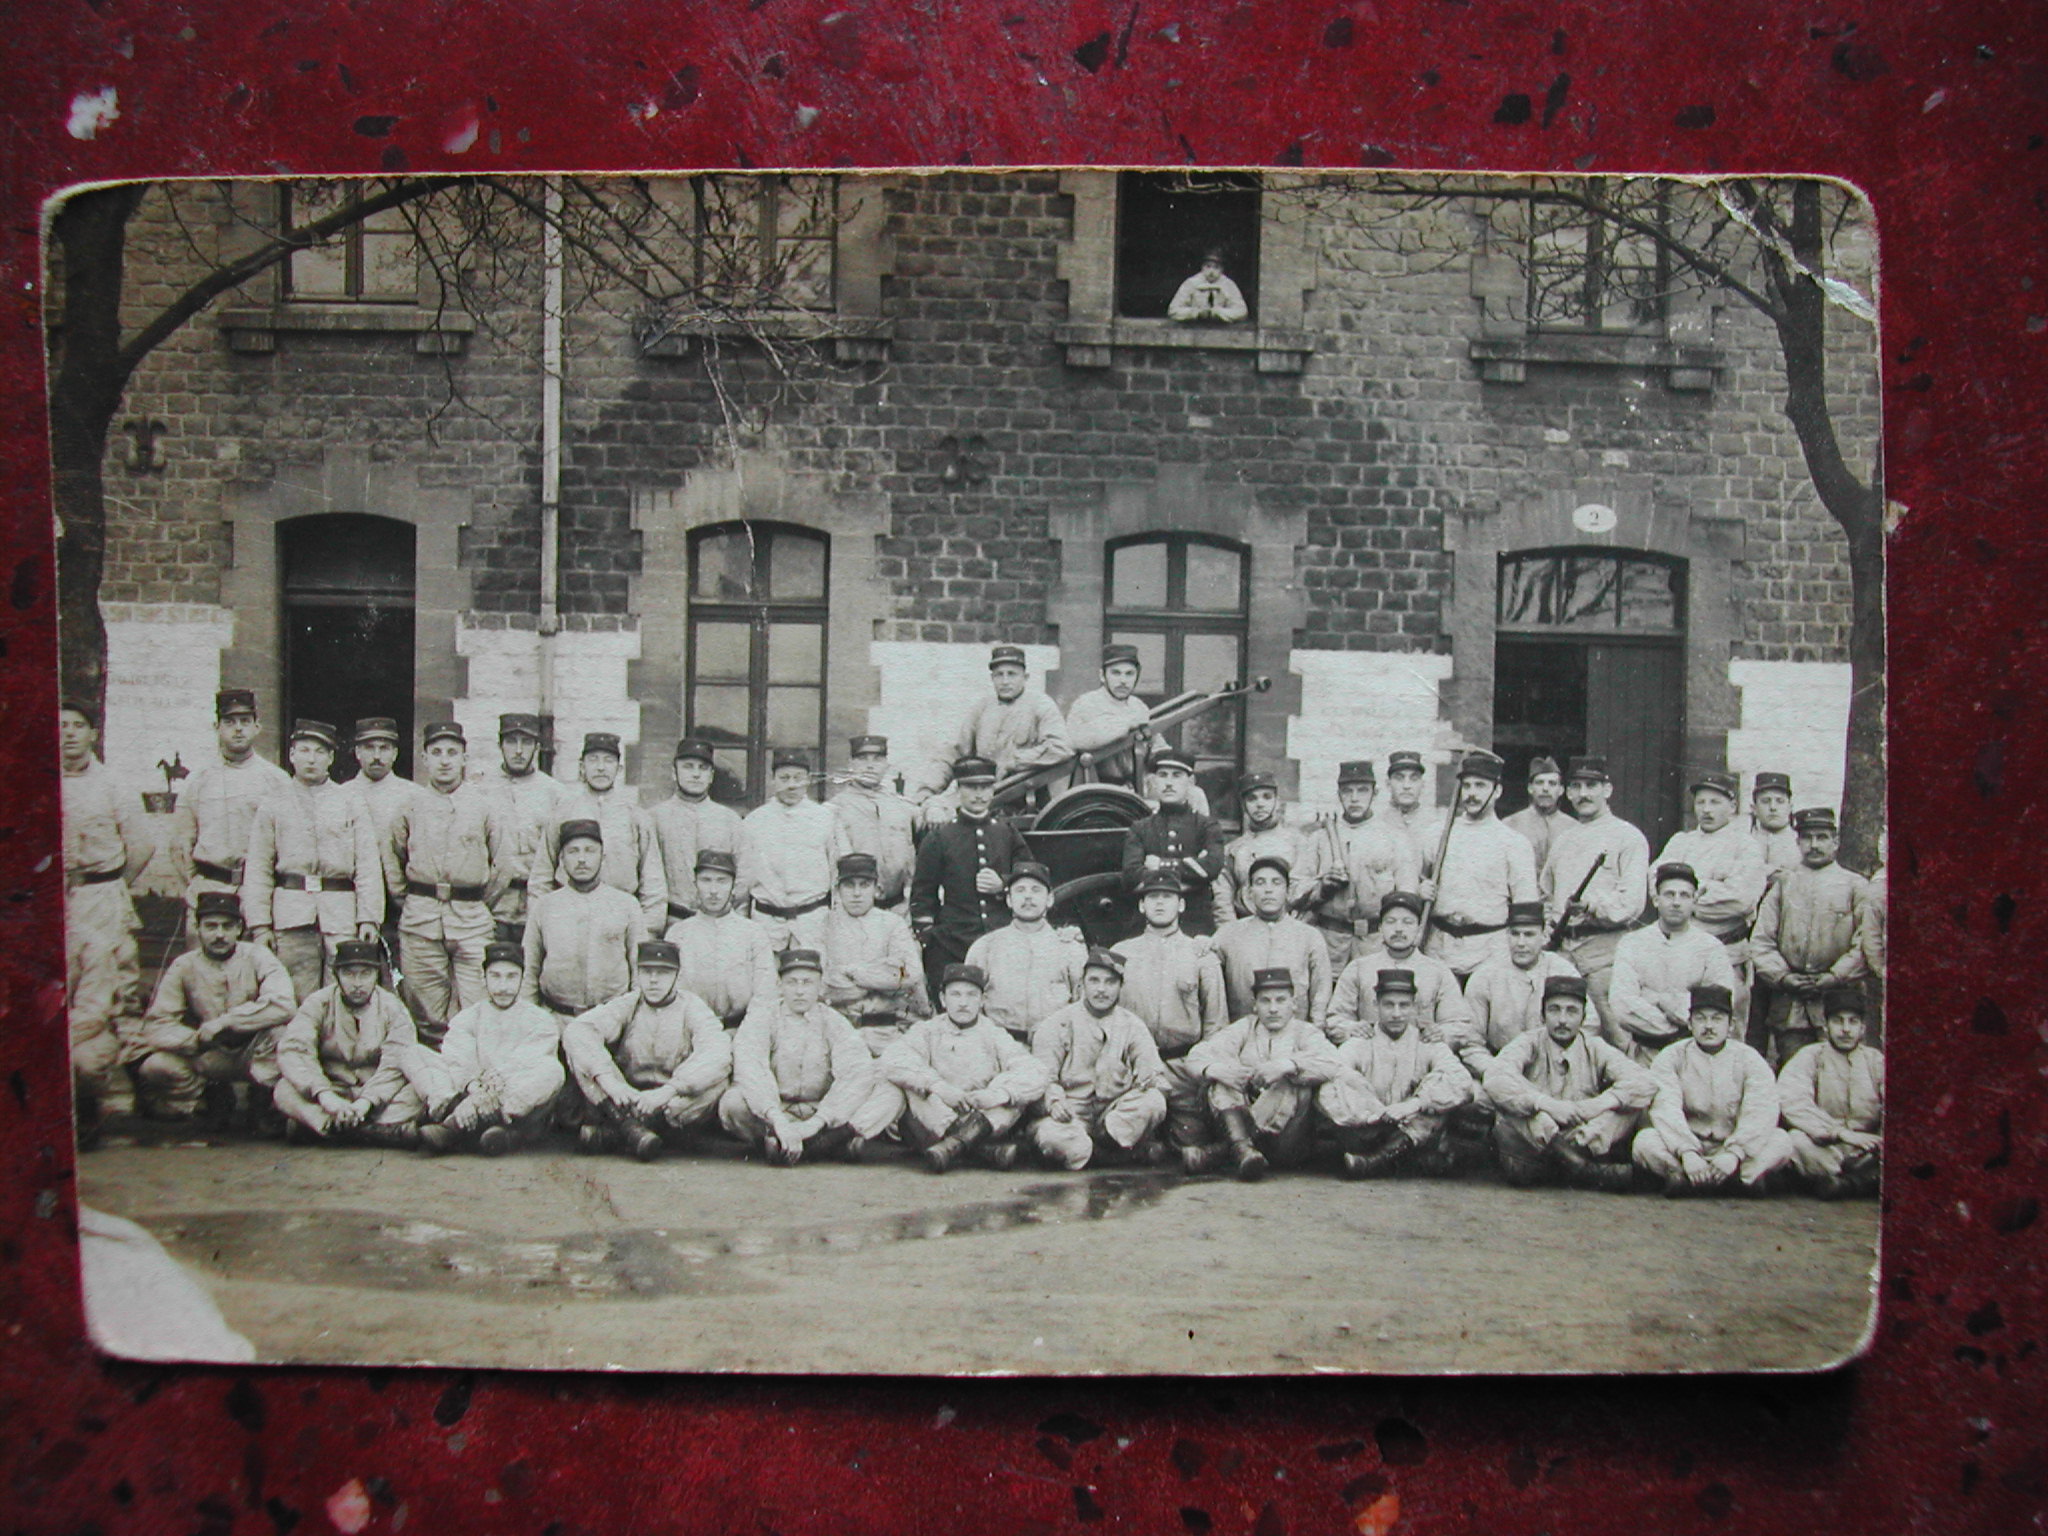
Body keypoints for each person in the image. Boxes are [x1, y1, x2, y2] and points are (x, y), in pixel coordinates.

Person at [381, 721, 511, 1044]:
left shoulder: (484, 806)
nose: (444, 761)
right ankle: (435, 1071)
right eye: (436, 753)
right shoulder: (409, 806)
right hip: (421, 917)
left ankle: (472, 1071)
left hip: (471, 920)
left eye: (452, 753)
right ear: (424, 758)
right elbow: (392, 857)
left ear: (464, 758)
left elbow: (503, 865)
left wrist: (478, 902)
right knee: (426, 1010)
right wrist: (408, 899)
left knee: (478, 1005)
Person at [242, 719, 384, 1005]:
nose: (311, 759)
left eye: (320, 752)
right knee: (293, 994)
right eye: (304, 750)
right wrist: (260, 924)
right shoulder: (273, 803)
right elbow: (258, 867)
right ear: (292, 755)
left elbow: (367, 864)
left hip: (340, 915)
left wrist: (369, 917)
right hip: (291, 915)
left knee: (342, 993)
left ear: (330, 758)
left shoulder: (350, 801)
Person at [59, 701, 155, 1125]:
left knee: (120, 990)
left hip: (102, 894)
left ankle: (136, 1084)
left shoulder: (112, 784)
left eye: (77, 726)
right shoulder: (39, 781)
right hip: (56, 899)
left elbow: (143, 845)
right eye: (61, 726)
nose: (68, 733)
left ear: (92, 734)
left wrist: (115, 884)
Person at [134, 891, 295, 1126]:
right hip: (211, 1051)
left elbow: (284, 1005)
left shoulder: (258, 955)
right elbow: (157, 1024)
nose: (219, 934)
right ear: (197, 929)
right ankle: (212, 1095)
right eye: (211, 926)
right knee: (156, 1066)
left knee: (282, 1036)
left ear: (239, 929)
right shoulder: (184, 965)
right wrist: (195, 1039)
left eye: (227, 926)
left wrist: (226, 1022)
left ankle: (262, 1103)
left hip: (254, 1049)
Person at [719, 948, 892, 1165]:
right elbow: (752, 1071)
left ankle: (794, 1146)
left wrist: (818, 1120)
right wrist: (777, 1119)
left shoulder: (834, 1022)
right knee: (733, 1103)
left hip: (820, 1110)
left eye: (807, 983)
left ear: (819, 987)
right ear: (780, 985)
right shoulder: (762, 1019)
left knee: (872, 1084)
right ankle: (793, 1142)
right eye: (792, 983)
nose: (799, 991)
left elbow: (855, 1073)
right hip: (778, 1110)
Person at [563, 939, 732, 1161]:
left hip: (670, 1101)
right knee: (579, 1050)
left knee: (718, 1079)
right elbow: (579, 1030)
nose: (653, 980)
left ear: (678, 976)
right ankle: (632, 1129)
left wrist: (670, 1089)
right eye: (646, 972)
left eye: (663, 973)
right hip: (626, 1097)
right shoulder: (629, 1003)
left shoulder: (692, 1007)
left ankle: (619, 1133)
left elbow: (717, 1051)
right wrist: (610, 1082)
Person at [1481, 974, 1654, 1190]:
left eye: (1571, 1011)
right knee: (1508, 1099)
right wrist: (1544, 1103)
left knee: (1632, 1104)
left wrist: (1601, 1103)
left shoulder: (1595, 1046)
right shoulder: (1528, 1042)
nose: (1562, 1020)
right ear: (1543, 1015)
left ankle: (1570, 1161)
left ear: (1583, 1017)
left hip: (1582, 1139)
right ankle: (1582, 1169)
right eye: (1554, 1010)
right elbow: (1495, 1076)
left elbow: (1644, 1081)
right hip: (1534, 1146)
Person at [878, 963, 1053, 1172]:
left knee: (1015, 1092)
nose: (963, 1003)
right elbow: (892, 1059)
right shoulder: (927, 1030)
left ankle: (952, 1147)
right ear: (943, 999)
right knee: (912, 1082)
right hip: (938, 1116)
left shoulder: (994, 1033)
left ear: (982, 1000)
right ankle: (982, 1151)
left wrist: (997, 1095)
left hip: (983, 1116)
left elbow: (1036, 1071)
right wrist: (938, 1086)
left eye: (971, 995)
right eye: (956, 995)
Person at [1632, 983, 1795, 1197]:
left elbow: (1760, 1110)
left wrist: (1734, 1153)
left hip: (1733, 1149)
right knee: (1645, 1141)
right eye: (1700, 1019)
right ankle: (1719, 1180)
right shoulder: (1671, 1056)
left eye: (1717, 1019)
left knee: (1781, 1140)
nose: (1708, 1026)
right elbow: (1665, 1108)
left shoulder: (1749, 1058)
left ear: (1731, 1024)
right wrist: (1687, 1152)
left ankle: (1714, 1180)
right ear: (1690, 1024)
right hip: (1688, 1148)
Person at [405, 941, 566, 1156]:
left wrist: (483, 1099)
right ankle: (486, 1127)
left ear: (522, 978)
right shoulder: (467, 1018)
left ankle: (454, 1128)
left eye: (511, 977)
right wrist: (473, 1088)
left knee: (552, 1070)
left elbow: (526, 1063)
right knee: (414, 1053)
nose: (503, 987)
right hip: (471, 1093)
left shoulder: (540, 1020)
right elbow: (458, 1061)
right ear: (483, 978)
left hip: (510, 1099)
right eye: (495, 976)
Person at [1315, 969, 1473, 1179]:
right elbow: (1329, 1081)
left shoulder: (1427, 1042)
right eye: (1389, 1005)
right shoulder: (1359, 1042)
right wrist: (1373, 1114)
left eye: (1404, 1005)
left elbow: (1463, 1082)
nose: (1396, 1013)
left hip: (1413, 1127)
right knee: (1338, 1081)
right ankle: (1404, 1158)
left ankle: (1375, 1162)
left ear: (1414, 1006)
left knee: (1440, 1087)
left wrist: (1415, 1104)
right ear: (1376, 1005)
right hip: (1370, 1129)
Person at [1113, 869, 1230, 1150]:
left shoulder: (1200, 955)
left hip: (1182, 1068)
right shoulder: (1121, 954)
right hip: (1136, 1071)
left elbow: (1216, 1024)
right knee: (1131, 1145)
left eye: (1167, 897)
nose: (1160, 903)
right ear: (1142, 905)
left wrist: (1201, 1073)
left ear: (1181, 904)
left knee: (1189, 1143)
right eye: (1153, 897)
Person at [1184, 969, 1341, 1178]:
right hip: (1245, 1120)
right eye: (1265, 1001)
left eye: (1280, 1000)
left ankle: (1226, 1150)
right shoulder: (1244, 1028)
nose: (1273, 1009)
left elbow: (1333, 1063)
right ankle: (1243, 1150)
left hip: (1287, 1140)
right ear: (1255, 1005)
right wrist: (1216, 1069)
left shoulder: (1306, 1032)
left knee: (1290, 1081)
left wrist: (1289, 1065)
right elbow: (1197, 1056)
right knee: (1224, 1077)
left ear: (1294, 1004)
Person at [1750, 807, 1877, 1065]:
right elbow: (1761, 941)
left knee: (1840, 1069)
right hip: (1791, 1004)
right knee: (1792, 1068)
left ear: (1835, 842)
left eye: (1822, 838)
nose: (1814, 845)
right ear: (1798, 842)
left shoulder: (1855, 886)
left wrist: (1835, 976)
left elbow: (1865, 942)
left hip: (1839, 1000)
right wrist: (1783, 977)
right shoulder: (1784, 884)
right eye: (1807, 838)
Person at [1539, 755, 1650, 1042]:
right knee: (1563, 1035)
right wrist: (1549, 925)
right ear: (1567, 792)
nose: (1583, 794)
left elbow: (1632, 903)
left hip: (1605, 954)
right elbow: (1547, 894)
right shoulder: (1564, 840)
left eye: (1591, 786)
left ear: (1607, 790)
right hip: (1564, 952)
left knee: (1616, 1035)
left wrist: (1593, 905)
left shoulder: (1628, 837)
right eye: (1576, 786)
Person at [271, 938, 423, 1146]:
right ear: (336, 975)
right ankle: (364, 1131)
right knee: (284, 1089)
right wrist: (324, 1094)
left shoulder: (393, 1007)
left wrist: (366, 1101)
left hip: (376, 1095)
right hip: (333, 1091)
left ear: (377, 975)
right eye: (349, 974)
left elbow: (396, 1062)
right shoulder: (318, 1003)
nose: (357, 983)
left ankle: (333, 1130)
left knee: (416, 1093)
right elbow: (295, 1050)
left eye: (366, 974)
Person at [1028, 948, 1171, 1170]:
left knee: (1154, 1101)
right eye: (1094, 981)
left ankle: (1095, 1152)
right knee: (1052, 1137)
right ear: (1081, 985)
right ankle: (1119, 1155)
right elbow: (1042, 1076)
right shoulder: (1058, 1023)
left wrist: (1149, 1084)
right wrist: (1054, 1102)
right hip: (1070, 1113)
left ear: (1121, 987)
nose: (1101, 989)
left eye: (1110, 982)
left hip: (1113, 1114)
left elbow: (1152, 1073)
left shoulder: (1132, 1025)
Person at [165, 688, 288, 930]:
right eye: (230, 722)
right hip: (209, 888)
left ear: (257, 727)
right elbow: (180, 844)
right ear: (217, 727)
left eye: (245, 721)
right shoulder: (198, 780)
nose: (238, 729)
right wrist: (196, 884)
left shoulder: (277, 780)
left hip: (259, 893)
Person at [1656, 771, 1769, 1025]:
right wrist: (1711, 887)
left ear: (1733, 806)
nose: (1706, 810)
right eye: (1701, 802)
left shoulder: (1745, 846)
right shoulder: (1680, 842)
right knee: (1678, 1019)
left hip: (1727, 951)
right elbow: (1655, 883)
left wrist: (1686, 900)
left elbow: (1741, 899)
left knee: (1726, 1023)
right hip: (1680, 952)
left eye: (1715, 802)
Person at [908, 756, 1028, 997]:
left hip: (1001, 938)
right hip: (954, 941)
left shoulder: (1006, 831)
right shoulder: (940, 837)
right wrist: (931, 939)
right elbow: (922, 896)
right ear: (958, 789)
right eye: (972, 787)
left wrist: (1004, 884)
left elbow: (1030, 875)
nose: (979, 795)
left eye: (985, 787)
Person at [792, 852, 929, 1055]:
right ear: (837, 889)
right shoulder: (821, 926)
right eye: (849, 885)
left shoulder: (893, 924)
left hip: (887, 1028)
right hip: (836, 1028)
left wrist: (855, 973)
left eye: (864, 885)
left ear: (876, 889)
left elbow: (909, 974)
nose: (857, 893)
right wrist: (883, 981)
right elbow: (820, 984)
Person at [529, 732, 667, 933]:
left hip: (620, 918)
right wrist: (543, 927)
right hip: (570, 917)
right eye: (593, 760)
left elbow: (653, 881)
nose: (601, 767)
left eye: (608, 760)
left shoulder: (636, 817)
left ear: (619, 768)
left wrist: (647, 931)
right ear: (582, 766)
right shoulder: (563, 813)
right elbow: (541, 876)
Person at [1419, 749, 1539, 980]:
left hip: (1490, 954)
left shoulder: (1514, 843)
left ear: (1497, 791)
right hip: (1439, 949)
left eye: (1480, 786)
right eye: (1467, 786)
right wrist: (1420, 889)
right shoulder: (1437, 834)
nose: (1471, 794)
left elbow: (1526, 907)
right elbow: (1418, 882)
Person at [1608, 863, 1740, 1064]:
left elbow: (1718, 1005)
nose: (1676, 902)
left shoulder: (1711, 947)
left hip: (1695, 1056)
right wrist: (1679, 1026)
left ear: (1694, 901)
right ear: (1656, 900)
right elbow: (1623, 1006)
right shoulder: (1632, 943)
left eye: (1684, 895)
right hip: (1646, 1054)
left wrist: (1657, 999)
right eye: (1669, 895)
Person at [1297, 759, 1422, 970]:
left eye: (1362, 791)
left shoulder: (1394, 838)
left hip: (1376, 944)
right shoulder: (1319, 838)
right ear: (1339, 795)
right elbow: (1294, 892)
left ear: (1375, 793)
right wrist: (1322, 888)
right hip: (1329, 943)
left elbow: (1408, 894)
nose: (1354, 798)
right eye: (1347, 791)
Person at [1447, 901, 1583, 1086]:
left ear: (1544, 936)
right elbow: (1471, 1043)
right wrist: (1498, 1072)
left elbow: (1588, 1026)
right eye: (1515, 934)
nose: (1521, 943)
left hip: (1555, 1069)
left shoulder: (1562, 971)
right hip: (1501, 1069)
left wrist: (1559, 1066)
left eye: (1529, 935)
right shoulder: (1485, 976)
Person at [914, 644, 1071, 802]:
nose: (1005, 681)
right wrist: (928, 789)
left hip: (1026, 799)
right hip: (982, 795)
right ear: (992, 678)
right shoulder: (982, 708)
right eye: (999, 675)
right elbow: (955, 753)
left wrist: (1014, 762)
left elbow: (1061, 748)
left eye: (1012, 674)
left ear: (1025, 677)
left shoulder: (1041, 705)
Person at [521, 820, 646, 1018]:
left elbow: (639, 968)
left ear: (602, 856)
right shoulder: (545, 906)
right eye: (573, 851)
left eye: (590, 851)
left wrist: (631, 1019)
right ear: (561, 858)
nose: (581, 859)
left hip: (611, 1019)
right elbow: (529, 969)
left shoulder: (626, 905)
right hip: (557, 1017)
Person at [1777, 983, 1883, 1198]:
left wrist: (1878, 1139)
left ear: (1863, 1028)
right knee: (1794, 1140)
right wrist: (1840, 1133)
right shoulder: (1810, 1056)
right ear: (1825, 1027)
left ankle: (1845, 1183)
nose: (1846, 1029)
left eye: (1853, 1021)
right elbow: (1793, 1102)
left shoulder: (1875, 1060)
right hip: (1825, 1146)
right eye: (1838, 1021)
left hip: (1867, 1148)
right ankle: (1859, 1181)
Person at [1325, 890, 1472, 1044]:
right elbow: (1335, 1019)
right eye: (1391, 921)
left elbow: (1458, 1024)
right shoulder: (1358, 968)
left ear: (1419, 928)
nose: (1398, 929)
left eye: (1407, 922)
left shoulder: (1438, 972)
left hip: (1420, 1052)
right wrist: (1351, 1029)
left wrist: (1441, 1034)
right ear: (1380, 928)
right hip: (1371, 1051)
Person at [963, 860, 1085, 1043]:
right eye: (1020, 890)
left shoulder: (1069, 949)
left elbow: (1081, 1003)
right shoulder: (985, 947)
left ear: (1049, 899)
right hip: (999, 1044)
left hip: (1054, 1044)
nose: (1028, 897)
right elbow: (970, 1001)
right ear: (1009, 900)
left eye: (1036, 890)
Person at [663, 849, 780, 1028]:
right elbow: (670, 993)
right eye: (706, 880)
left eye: (722, 881)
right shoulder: (678, 934)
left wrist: (746, 1032)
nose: (713, 891)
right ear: (695, 884)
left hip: (741, 1028)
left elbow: (765, 995)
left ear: (733, 886)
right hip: (692, 1029)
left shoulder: (753, 933)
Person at [1120, 746, 1227, 936]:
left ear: (1190, 782)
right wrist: (1191, 874)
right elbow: (1131, 876)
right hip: (1148, 926)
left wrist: (1159, 865)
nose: (1168, 783)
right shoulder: (1140, 828)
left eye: (1177, 775)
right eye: (1163, 775)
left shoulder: (1206, 826)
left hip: (1195, 925)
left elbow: (1212, 866)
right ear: (1154, 781)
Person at [1213, 855, 1332, 1026]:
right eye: (1260, 883)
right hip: (1244, 1033)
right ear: (1249, 892)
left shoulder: (1309, 936)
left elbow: (1321, 990)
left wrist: (1316, 1029)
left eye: (1276, 883)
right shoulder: (1228, 935)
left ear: (1287, 891)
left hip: (1295, 1033)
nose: (1268, 890)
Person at [471, 712, 558, 944]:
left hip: (538, 906)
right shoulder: (479, 791)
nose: (518, 751)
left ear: (537, 747)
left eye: (526, 742)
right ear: (500, 745)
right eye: (511, 742)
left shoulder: (555, 793)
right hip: (491, 907)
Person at [736, 747, 837, 946]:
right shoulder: (754, 821)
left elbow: (836, 873)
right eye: (784, 778)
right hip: (767, 924)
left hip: (813, 923)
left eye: (798, 778)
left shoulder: (825, 818)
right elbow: (743, 879)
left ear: (808, 780)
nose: (791, 785)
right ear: (772, 779)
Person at [647, 737, 742, 926]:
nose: (696, 774)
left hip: (719, 922)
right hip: (672, 920)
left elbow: (743, 874)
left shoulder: (730, 820)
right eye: (688, 767)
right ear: (674, 772)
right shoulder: (654, 818)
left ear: (711, 776)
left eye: (703, 768)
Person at [825, 735, 918, 911]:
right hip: (853, 908)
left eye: (877, 759)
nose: (870, 766)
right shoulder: (834, 809)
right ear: (851, 764)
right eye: (862, 759)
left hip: (899, 907)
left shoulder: (904, 807)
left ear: (886, 764)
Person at [1213, 770, 1315, 925]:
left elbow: (1304, 890)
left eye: (1267, 797)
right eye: (1252, 799)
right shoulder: (1233, 849)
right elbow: (1222, 899)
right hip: (1246, 927)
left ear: (1277, 801)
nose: (1259, 804)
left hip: (1288, 926)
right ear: (1244, 805)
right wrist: (1232, 932)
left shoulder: (1297, 842)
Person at [1063, 642, 1153, 790]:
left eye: (1129, 674)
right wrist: (1125, 725)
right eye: (1116, 673)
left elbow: (1155, 744)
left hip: (1133, 786)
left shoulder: (1139, 706)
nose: (1123, 680)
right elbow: (1075, 740)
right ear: (1102, 675)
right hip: (1093, 787)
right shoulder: (1086, 703)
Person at [349, 718, 419, 847]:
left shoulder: (415, 795)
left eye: (384, 748)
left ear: (395, 753)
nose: (376, 756)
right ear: (358, 752)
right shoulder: (340, 796)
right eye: (369, 748)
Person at [1503, 756, 1574, 874]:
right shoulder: (1510, 824)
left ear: (1561, 790)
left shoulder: (1572, 827)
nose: (1545, 789)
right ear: (1530, 788)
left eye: (1552, 784)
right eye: (1539, 783)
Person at [1382, 750, 1436, 870]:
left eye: (1414, 779)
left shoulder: (1434, 824)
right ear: (1388, 784)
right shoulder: (1378, 824)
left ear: (1423, 785)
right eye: (1399, 778)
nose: (1406, 786)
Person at [1166, 249, 1249, 323]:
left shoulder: (1228, 285)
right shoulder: (1191, 283)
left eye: (1216, 267)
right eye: (1208, 266)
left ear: (1222, 269)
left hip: (1221, 328)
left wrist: (1218, 313)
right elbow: (1173, 310)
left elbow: (1242, 311)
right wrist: (1196, 313)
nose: (1211, 271)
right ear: (1202, 267)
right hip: (1194, 328)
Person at [1749, 771, 1801, 878]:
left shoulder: (1800, 843)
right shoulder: (1743, 841)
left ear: (1790, 807)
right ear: (1754, 808)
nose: (1773, 807)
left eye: (1780, 801)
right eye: (1765, 801)